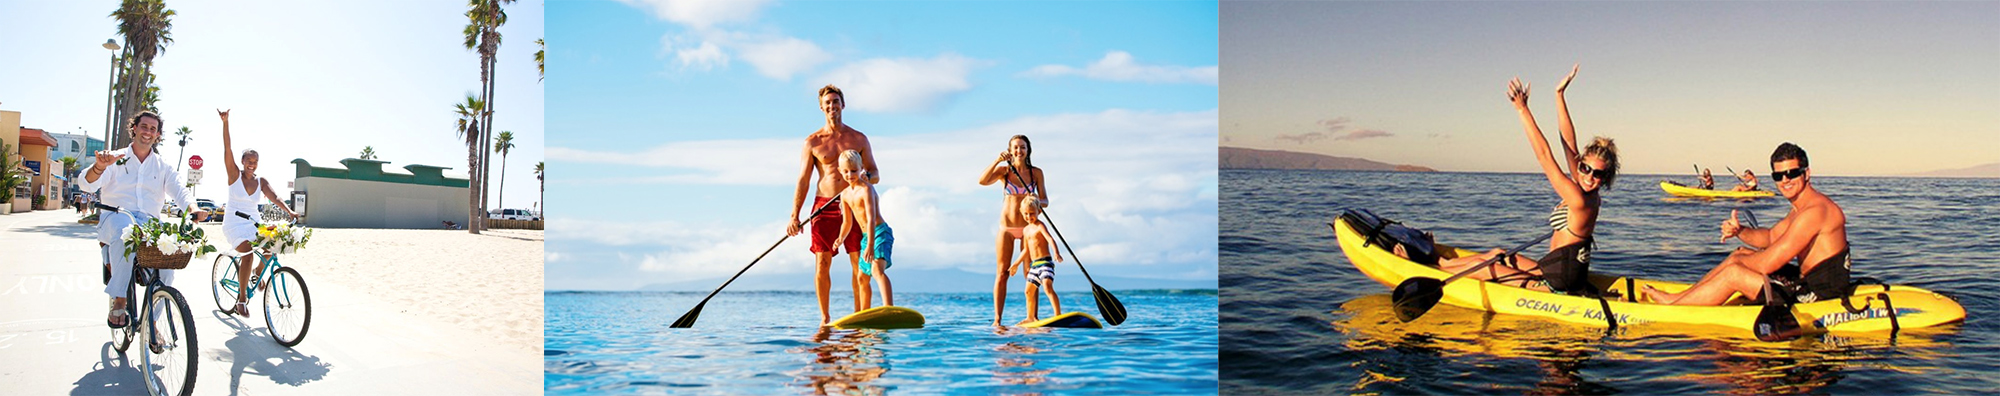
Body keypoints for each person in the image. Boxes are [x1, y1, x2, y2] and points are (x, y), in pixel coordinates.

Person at [1438, 65, 1619, 295]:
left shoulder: (1579, 200)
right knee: (1496, 253)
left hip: (1559, 284)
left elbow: (1545, 157)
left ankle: (1436, 267)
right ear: (1581, 164)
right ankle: (1442, 263)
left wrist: (1522, 110)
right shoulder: (1585, 189)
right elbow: (1568, 143)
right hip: (1553, 269)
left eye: (1598, 174)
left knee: (1484, 268)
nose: (1588, 176)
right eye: (1585, 168)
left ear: (1605, 178)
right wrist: (1559, 95)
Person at [1643, 143, 1848, 306]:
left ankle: (1673, 306)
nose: (1785, 180)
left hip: (1821, 296)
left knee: (1734, 272)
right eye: (1778, 175)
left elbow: (1768, 264)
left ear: (1806, 173)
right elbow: (1769, 238)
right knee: (1739, 254)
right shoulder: (1801, 209)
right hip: (1806, 281)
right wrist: (1739, 231)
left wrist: (1737, 266)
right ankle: (1682, 297)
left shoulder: (1814, 212)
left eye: (1792, 173)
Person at [78, 111, 208, 329]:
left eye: (153, 129)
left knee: (168, 263)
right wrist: (99, 167)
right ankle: (120, 298)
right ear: (134, 129)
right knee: (125, 233)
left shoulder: (162, 166)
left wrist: (193, 208)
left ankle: (152, 321)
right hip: (116, 217)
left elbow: (179, 190)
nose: (148, 132)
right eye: (144, 126)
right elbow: (86, 184)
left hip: (149, 224)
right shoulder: (115, 158)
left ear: (157, 135)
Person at [785, 84, 881, 325]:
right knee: (822, 262)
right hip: (823, 207)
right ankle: (825, 319)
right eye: (827, 103)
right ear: (821, 107)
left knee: (859, 262)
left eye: (835, 101)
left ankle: (860, 315)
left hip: (853, 204)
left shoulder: (858, 138)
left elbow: (875, 173)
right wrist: (794, 215)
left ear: (843, 105)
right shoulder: (812, 142)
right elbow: (803, 180)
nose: (832, 106)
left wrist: (863, 178)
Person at [216, 109, 300, 316]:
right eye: (248, 160)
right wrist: (226, 123)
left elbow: (276, 197)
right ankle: (242, 300)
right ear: (243, 161)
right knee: (247, 254)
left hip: (254, 223)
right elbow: (227, 147)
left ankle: (257, 273)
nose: (251, 164)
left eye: (255, 161)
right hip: (234, 224)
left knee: (272, 248)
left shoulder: (261, 181)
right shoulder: (234, 175)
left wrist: (290, 211)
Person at [977, 135, 1047, 326]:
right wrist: (997, 160)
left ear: (1028, 150)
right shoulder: (1005, 171)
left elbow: (1046, 201)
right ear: (1010, 150)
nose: (1019, 151)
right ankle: (997, 320)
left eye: (1022, 147)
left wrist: (1036, 200)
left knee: (1030, 273)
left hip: (1028, 229)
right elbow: (982, 181)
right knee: (1002, 273)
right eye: (1015, 148)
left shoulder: (1036, 174)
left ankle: (1032, 317)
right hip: (1006, 228)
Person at [831, 150, 894, 311]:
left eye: (854, 170)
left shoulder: (867, 189)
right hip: (867, 237)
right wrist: (840, 238)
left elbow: (871, 218)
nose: (850, 174)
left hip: (879, 233)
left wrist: (871, 245)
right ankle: (864, 313)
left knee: (876, 270)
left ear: (861, 169)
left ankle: (889, 308)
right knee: (861, 278)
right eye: (846, 171)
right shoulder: (844, 194)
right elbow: (847, 222)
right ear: (840, 170)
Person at [1010, 199, 1062, 324]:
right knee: (1028, 291)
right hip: (1034, 266)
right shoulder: (1026, 230)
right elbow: (1026, 250)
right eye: (1026, 214)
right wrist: (1016, 264)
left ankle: (1058, 315)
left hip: (1045, 263)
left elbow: (1050, 239)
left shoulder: (1040, 226)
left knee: (1047, 287)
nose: (1029, 216)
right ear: (1022, 213)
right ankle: (1030, 317)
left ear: (1039, 211)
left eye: (1032, 213)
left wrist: (1056, 252)